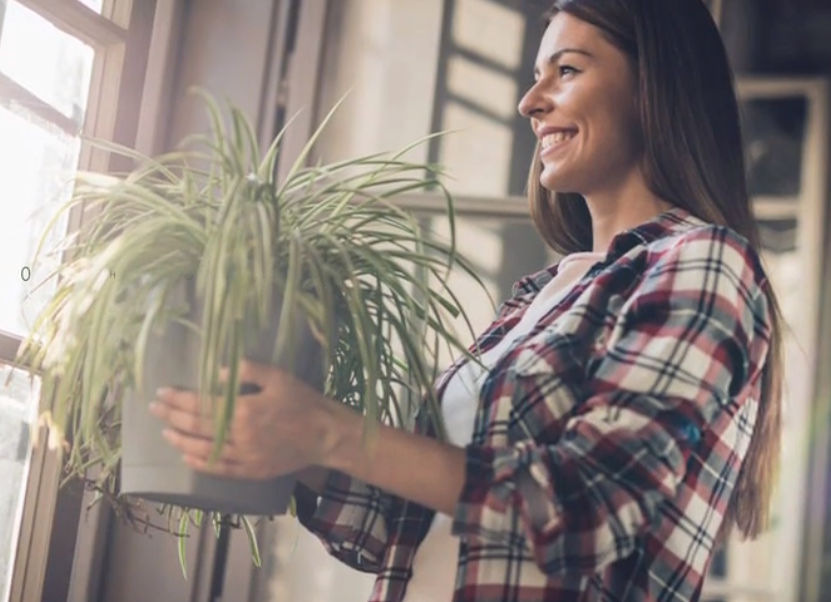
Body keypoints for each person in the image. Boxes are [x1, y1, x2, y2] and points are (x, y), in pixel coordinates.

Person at [148, 0, 785, 599]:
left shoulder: (704, 263)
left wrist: (327, 430)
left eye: (566, 70)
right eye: (536, 76)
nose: (530, 102)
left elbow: (585, 507)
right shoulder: (542, 296)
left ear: (655, 86)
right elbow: (406, 523)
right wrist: (288, 441)